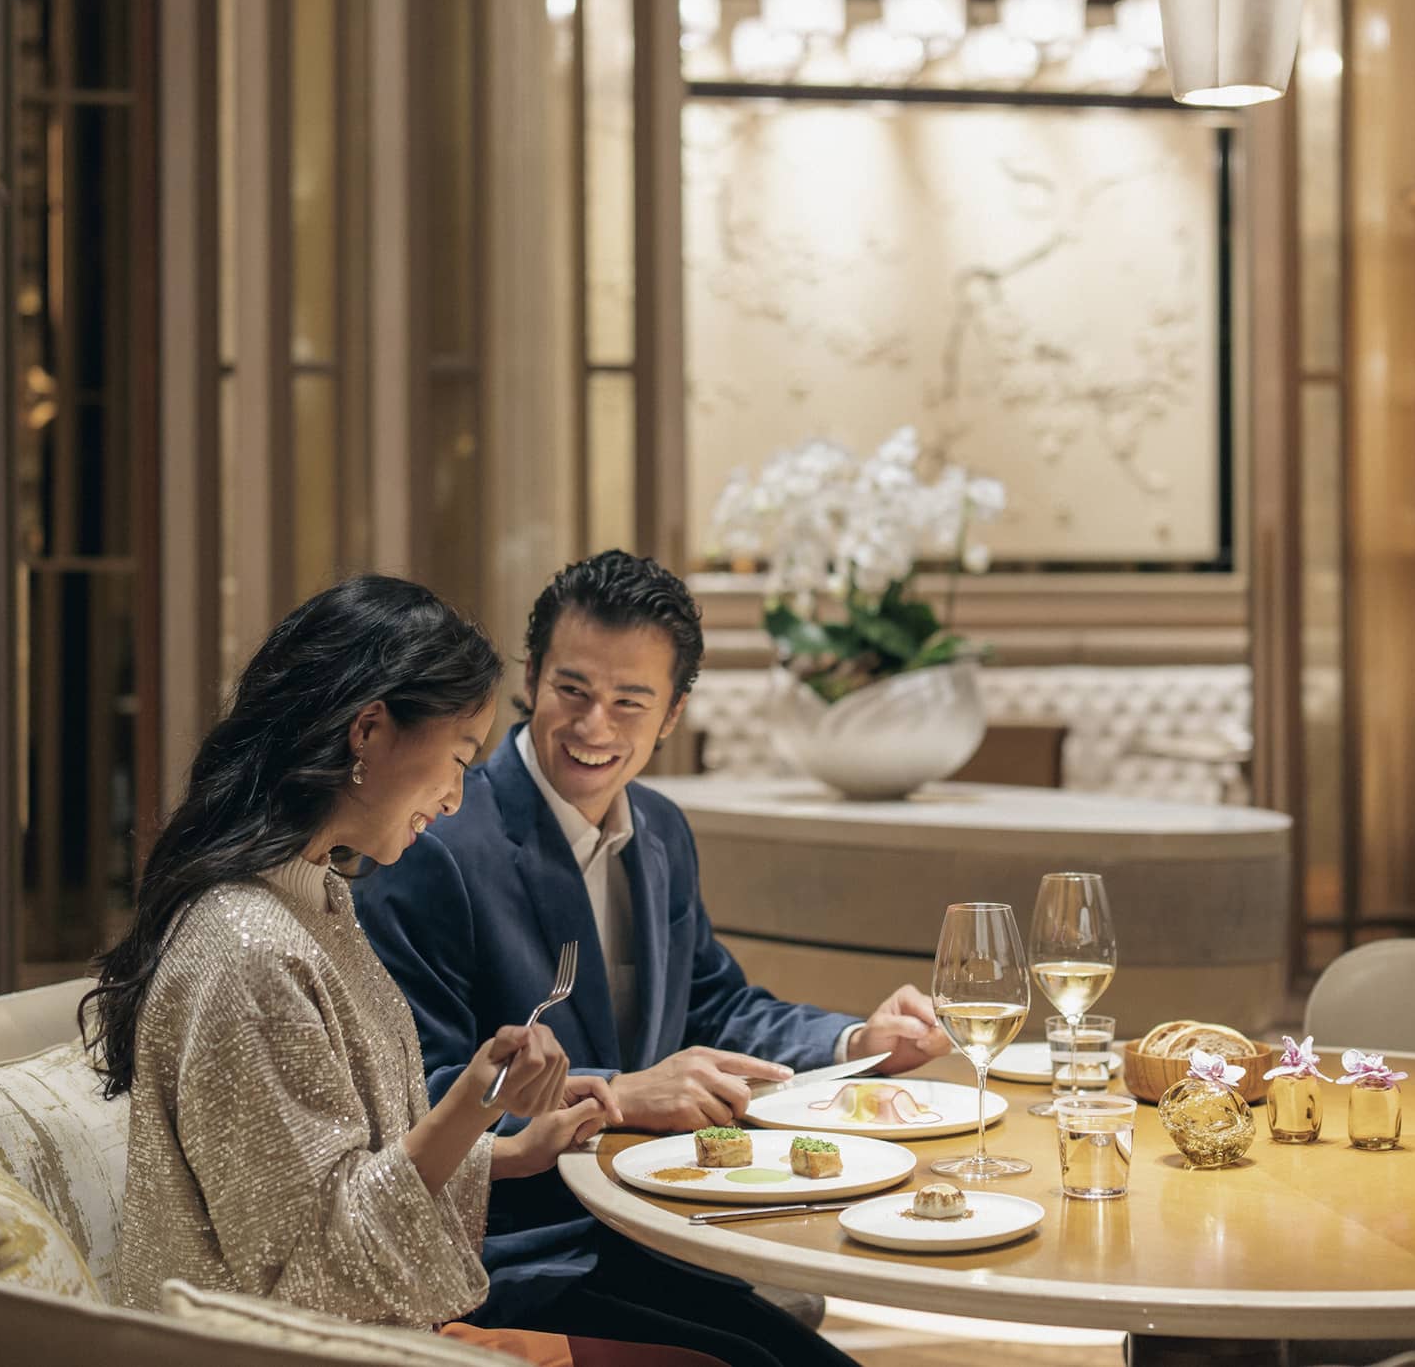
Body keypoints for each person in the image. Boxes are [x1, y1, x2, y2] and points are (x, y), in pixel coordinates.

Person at [86, 574, 721, 1367]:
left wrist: (511, 1146)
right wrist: (466, 1109)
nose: (457, 798)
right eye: (457, 757)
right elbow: (310, 1274)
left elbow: (347, 1179)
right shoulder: (248, 948)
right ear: (369, 730)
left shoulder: (315, 897)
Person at [356, 551, 951, 1364]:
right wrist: (622, 1096)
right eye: (573, 690)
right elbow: (416, 1098)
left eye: (629, 702)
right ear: (530, 678)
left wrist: (857, 1043)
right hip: (520, 1252)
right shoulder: (436, 842)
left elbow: (718, 1008)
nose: (594, 727)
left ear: (672, 714)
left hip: (655, 1221)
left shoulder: (662, 831)